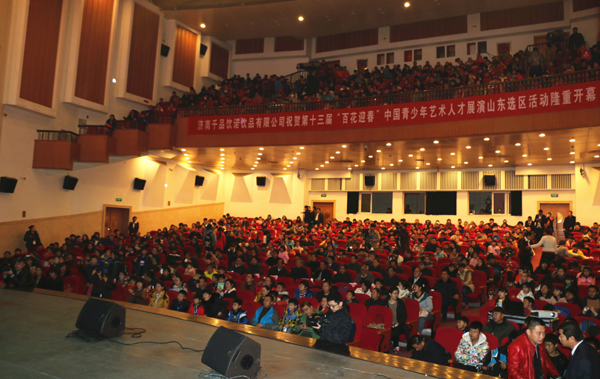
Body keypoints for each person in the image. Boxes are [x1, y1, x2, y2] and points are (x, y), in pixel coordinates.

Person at [313, 291, 354, 355]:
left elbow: (339, 338)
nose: (331, 308)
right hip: (323, 345)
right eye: (329, 306)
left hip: (337, 350)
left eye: (333, 306)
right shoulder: (330, 312)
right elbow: (322, 329)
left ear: (340, 303)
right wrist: (317, 325)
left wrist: (322, 329)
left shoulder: (346, 318)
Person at [387, 288, 409, 353]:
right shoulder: (385, 302)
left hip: (399, 324)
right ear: (390, 294)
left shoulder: (400, 303)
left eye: (397, 293)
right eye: (394, 293)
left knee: (394, 332)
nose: (396, 295)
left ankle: (396, 346)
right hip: (388, 324)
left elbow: (404, 315)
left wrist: (398, 322)